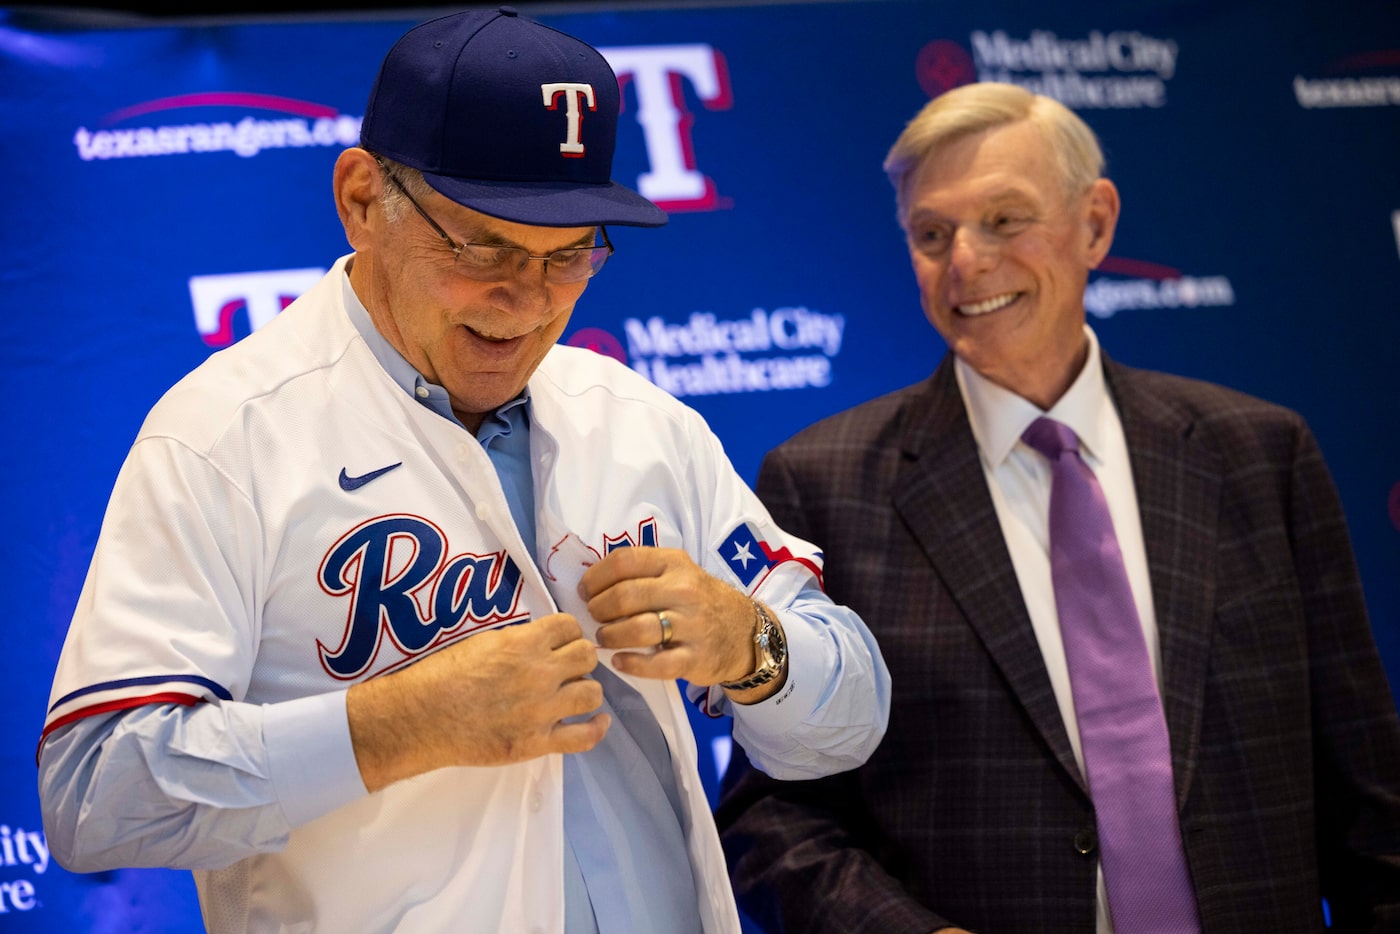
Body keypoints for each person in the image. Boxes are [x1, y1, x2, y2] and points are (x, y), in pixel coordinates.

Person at [37, 9, 890, 932]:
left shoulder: (636, 419)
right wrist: (394, 728)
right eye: (482, 247)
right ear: (363, 199)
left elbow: (851, 716)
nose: (523, 302)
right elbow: (95, 793)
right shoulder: (224, 437)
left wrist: (748, 644)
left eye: (568, 257)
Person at [716, 80, 1400, 934]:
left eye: (1005, 219)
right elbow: (773, 815)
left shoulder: (1259, 454)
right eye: (933, 234)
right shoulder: (821, 482)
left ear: (1097, 223)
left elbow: (1373, 804)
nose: (966, 261)